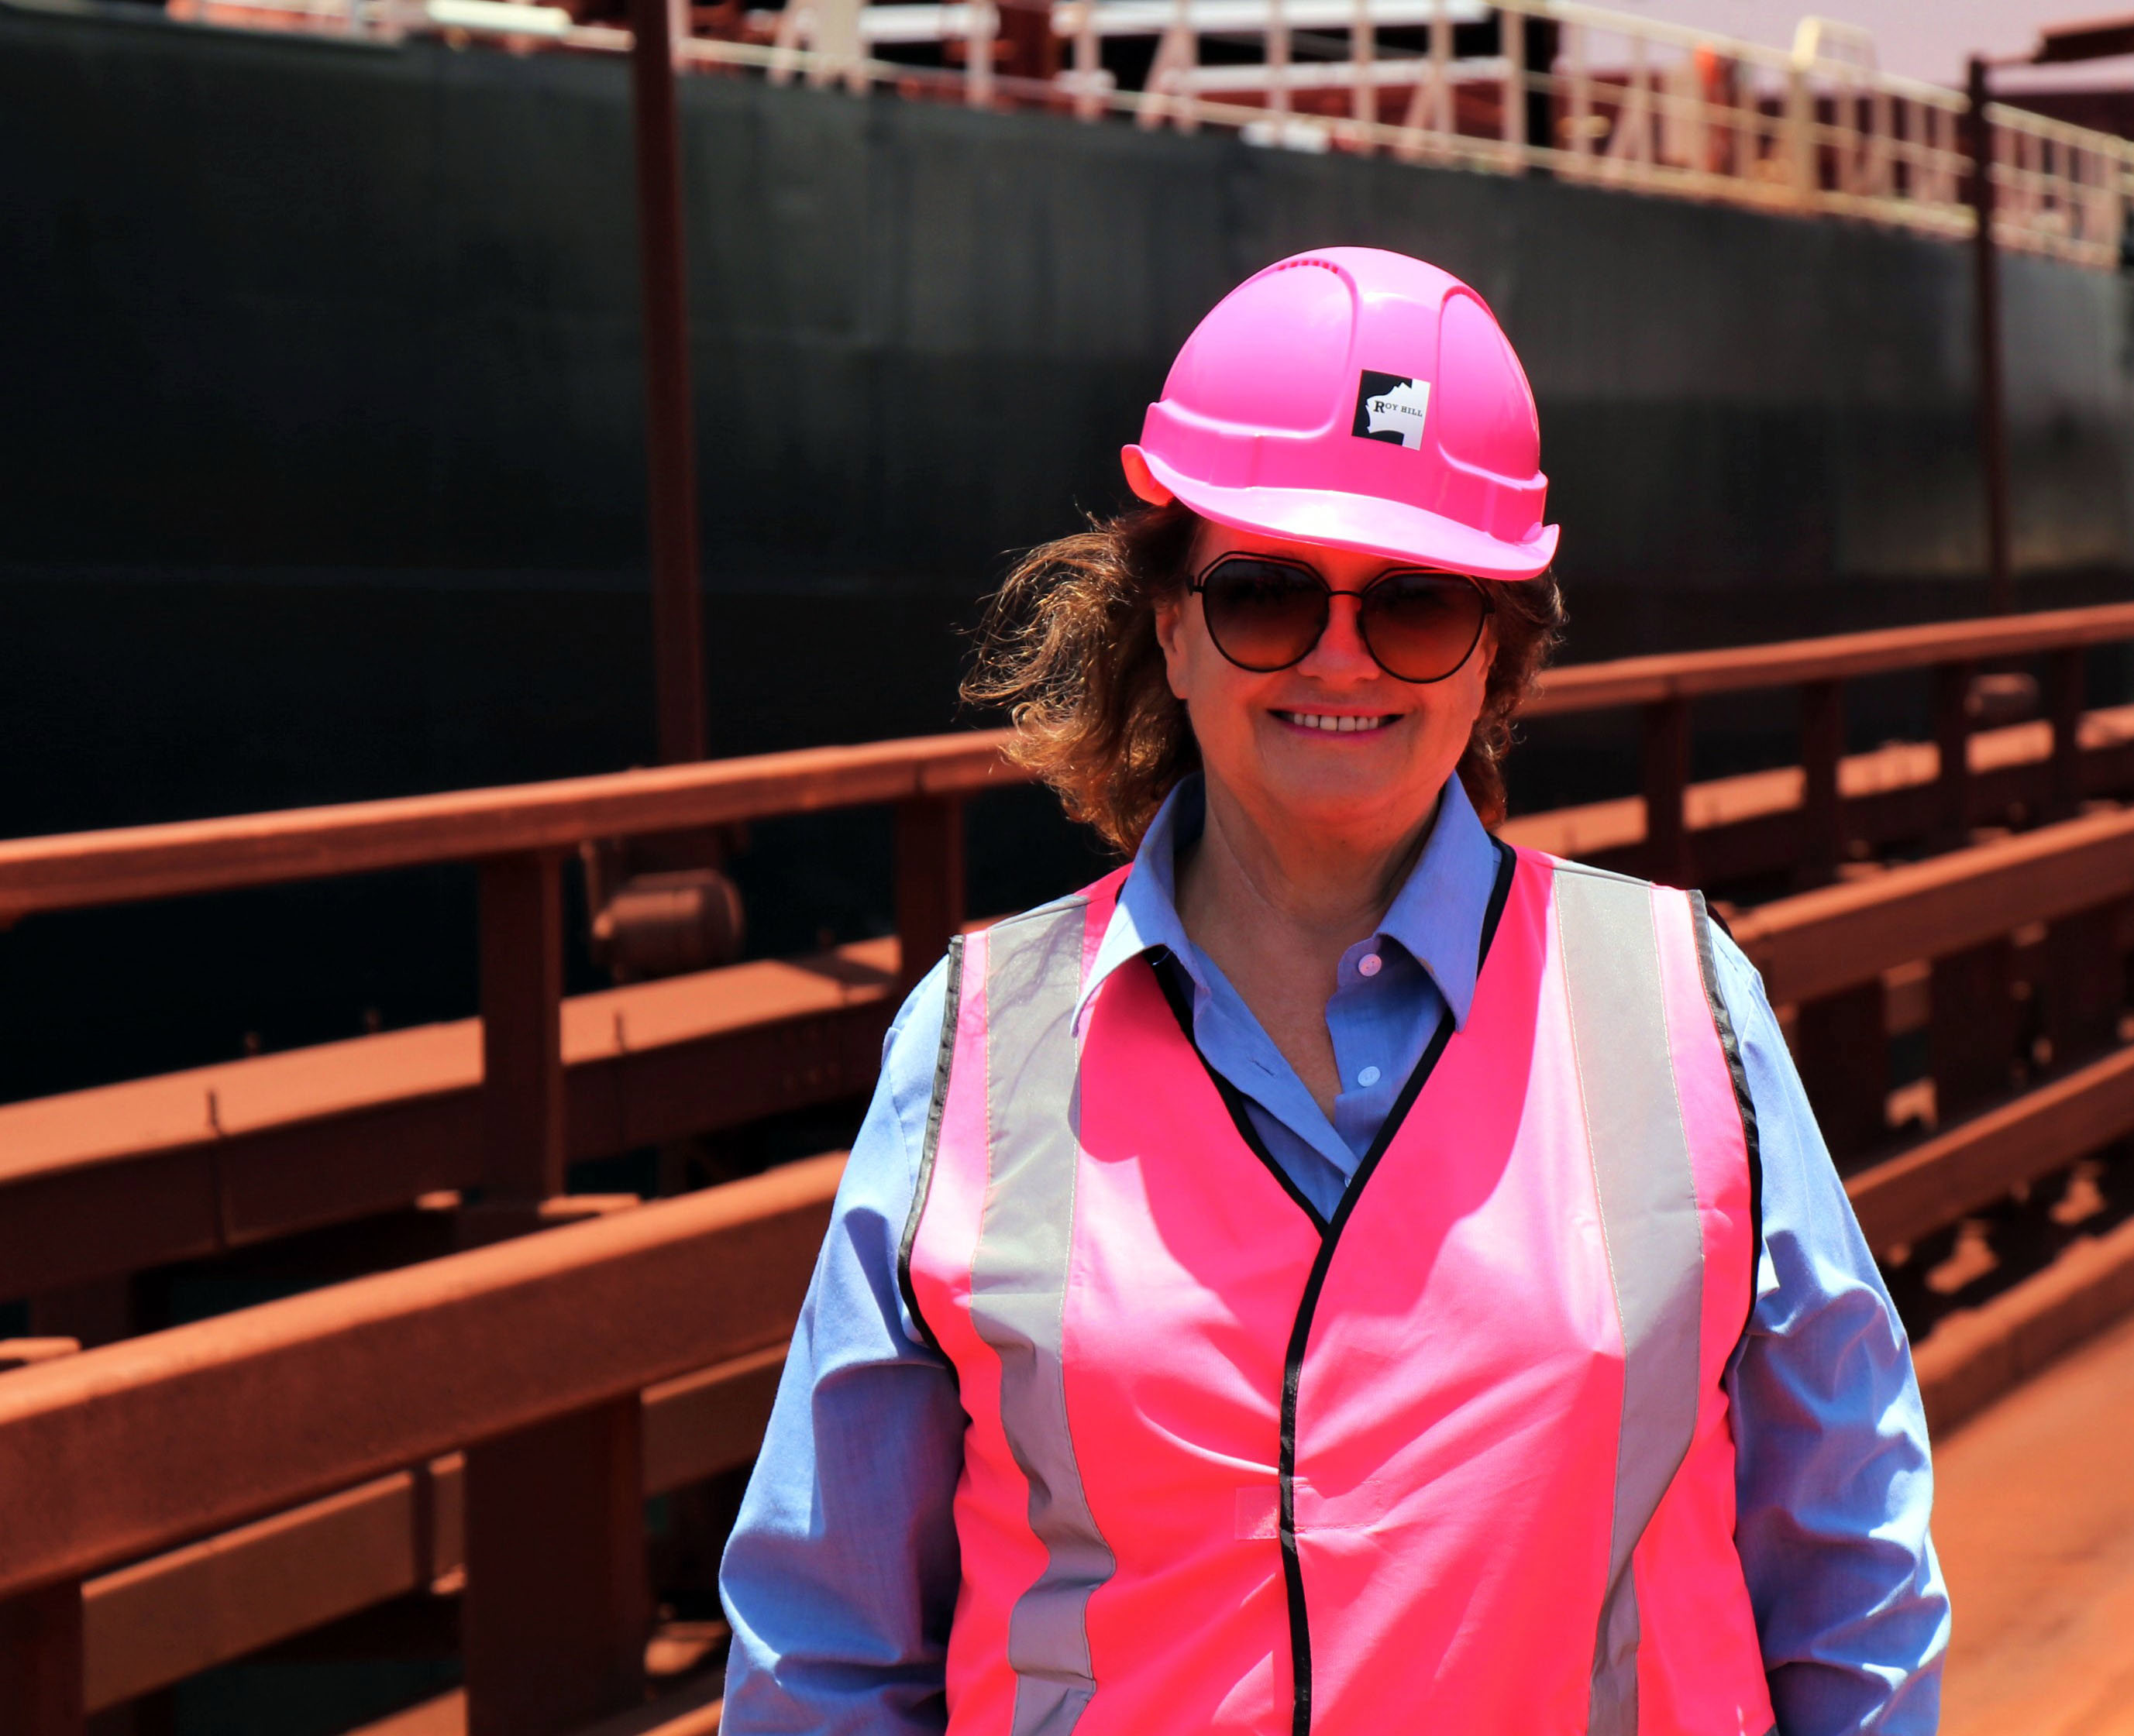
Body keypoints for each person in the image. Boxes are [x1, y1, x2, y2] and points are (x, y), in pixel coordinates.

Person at [718, 246, 1946, 1735]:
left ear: (1494, 658)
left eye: (1418, 602)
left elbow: (1850, 1573)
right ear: (1167, 626)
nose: (1341, 656)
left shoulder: (1687, 1009)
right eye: (1265, 594)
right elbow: (825, 1652)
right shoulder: (980, 1042)